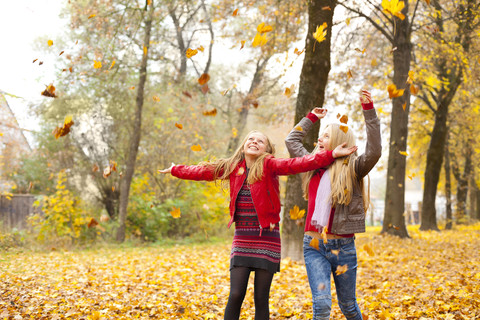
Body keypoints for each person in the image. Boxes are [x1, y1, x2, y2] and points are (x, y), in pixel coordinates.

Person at [159, 130, 357, 320]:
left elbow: (299, 163)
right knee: (236, 294)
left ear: (266, 150)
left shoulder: (270, 166)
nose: (254, 142)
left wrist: (331, 155)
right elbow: (203, 171)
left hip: (267, 238)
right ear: (244, 145)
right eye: (251, 139)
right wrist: (176, 169)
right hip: (242, 238)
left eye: (260, 141)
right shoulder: (232, 167)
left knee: (261, 298)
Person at [284, 89, 381, 320]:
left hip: (344, 246)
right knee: (322, 305)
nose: (320, 139)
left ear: (339, 141)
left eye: (325, 136)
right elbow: (291, 140)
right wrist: (312, 118)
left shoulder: (354, 169)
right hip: (313, 245)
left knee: (348, 305)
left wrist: (369, 110)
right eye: (320, 135)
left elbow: (375, 151)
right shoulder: (311, 164)